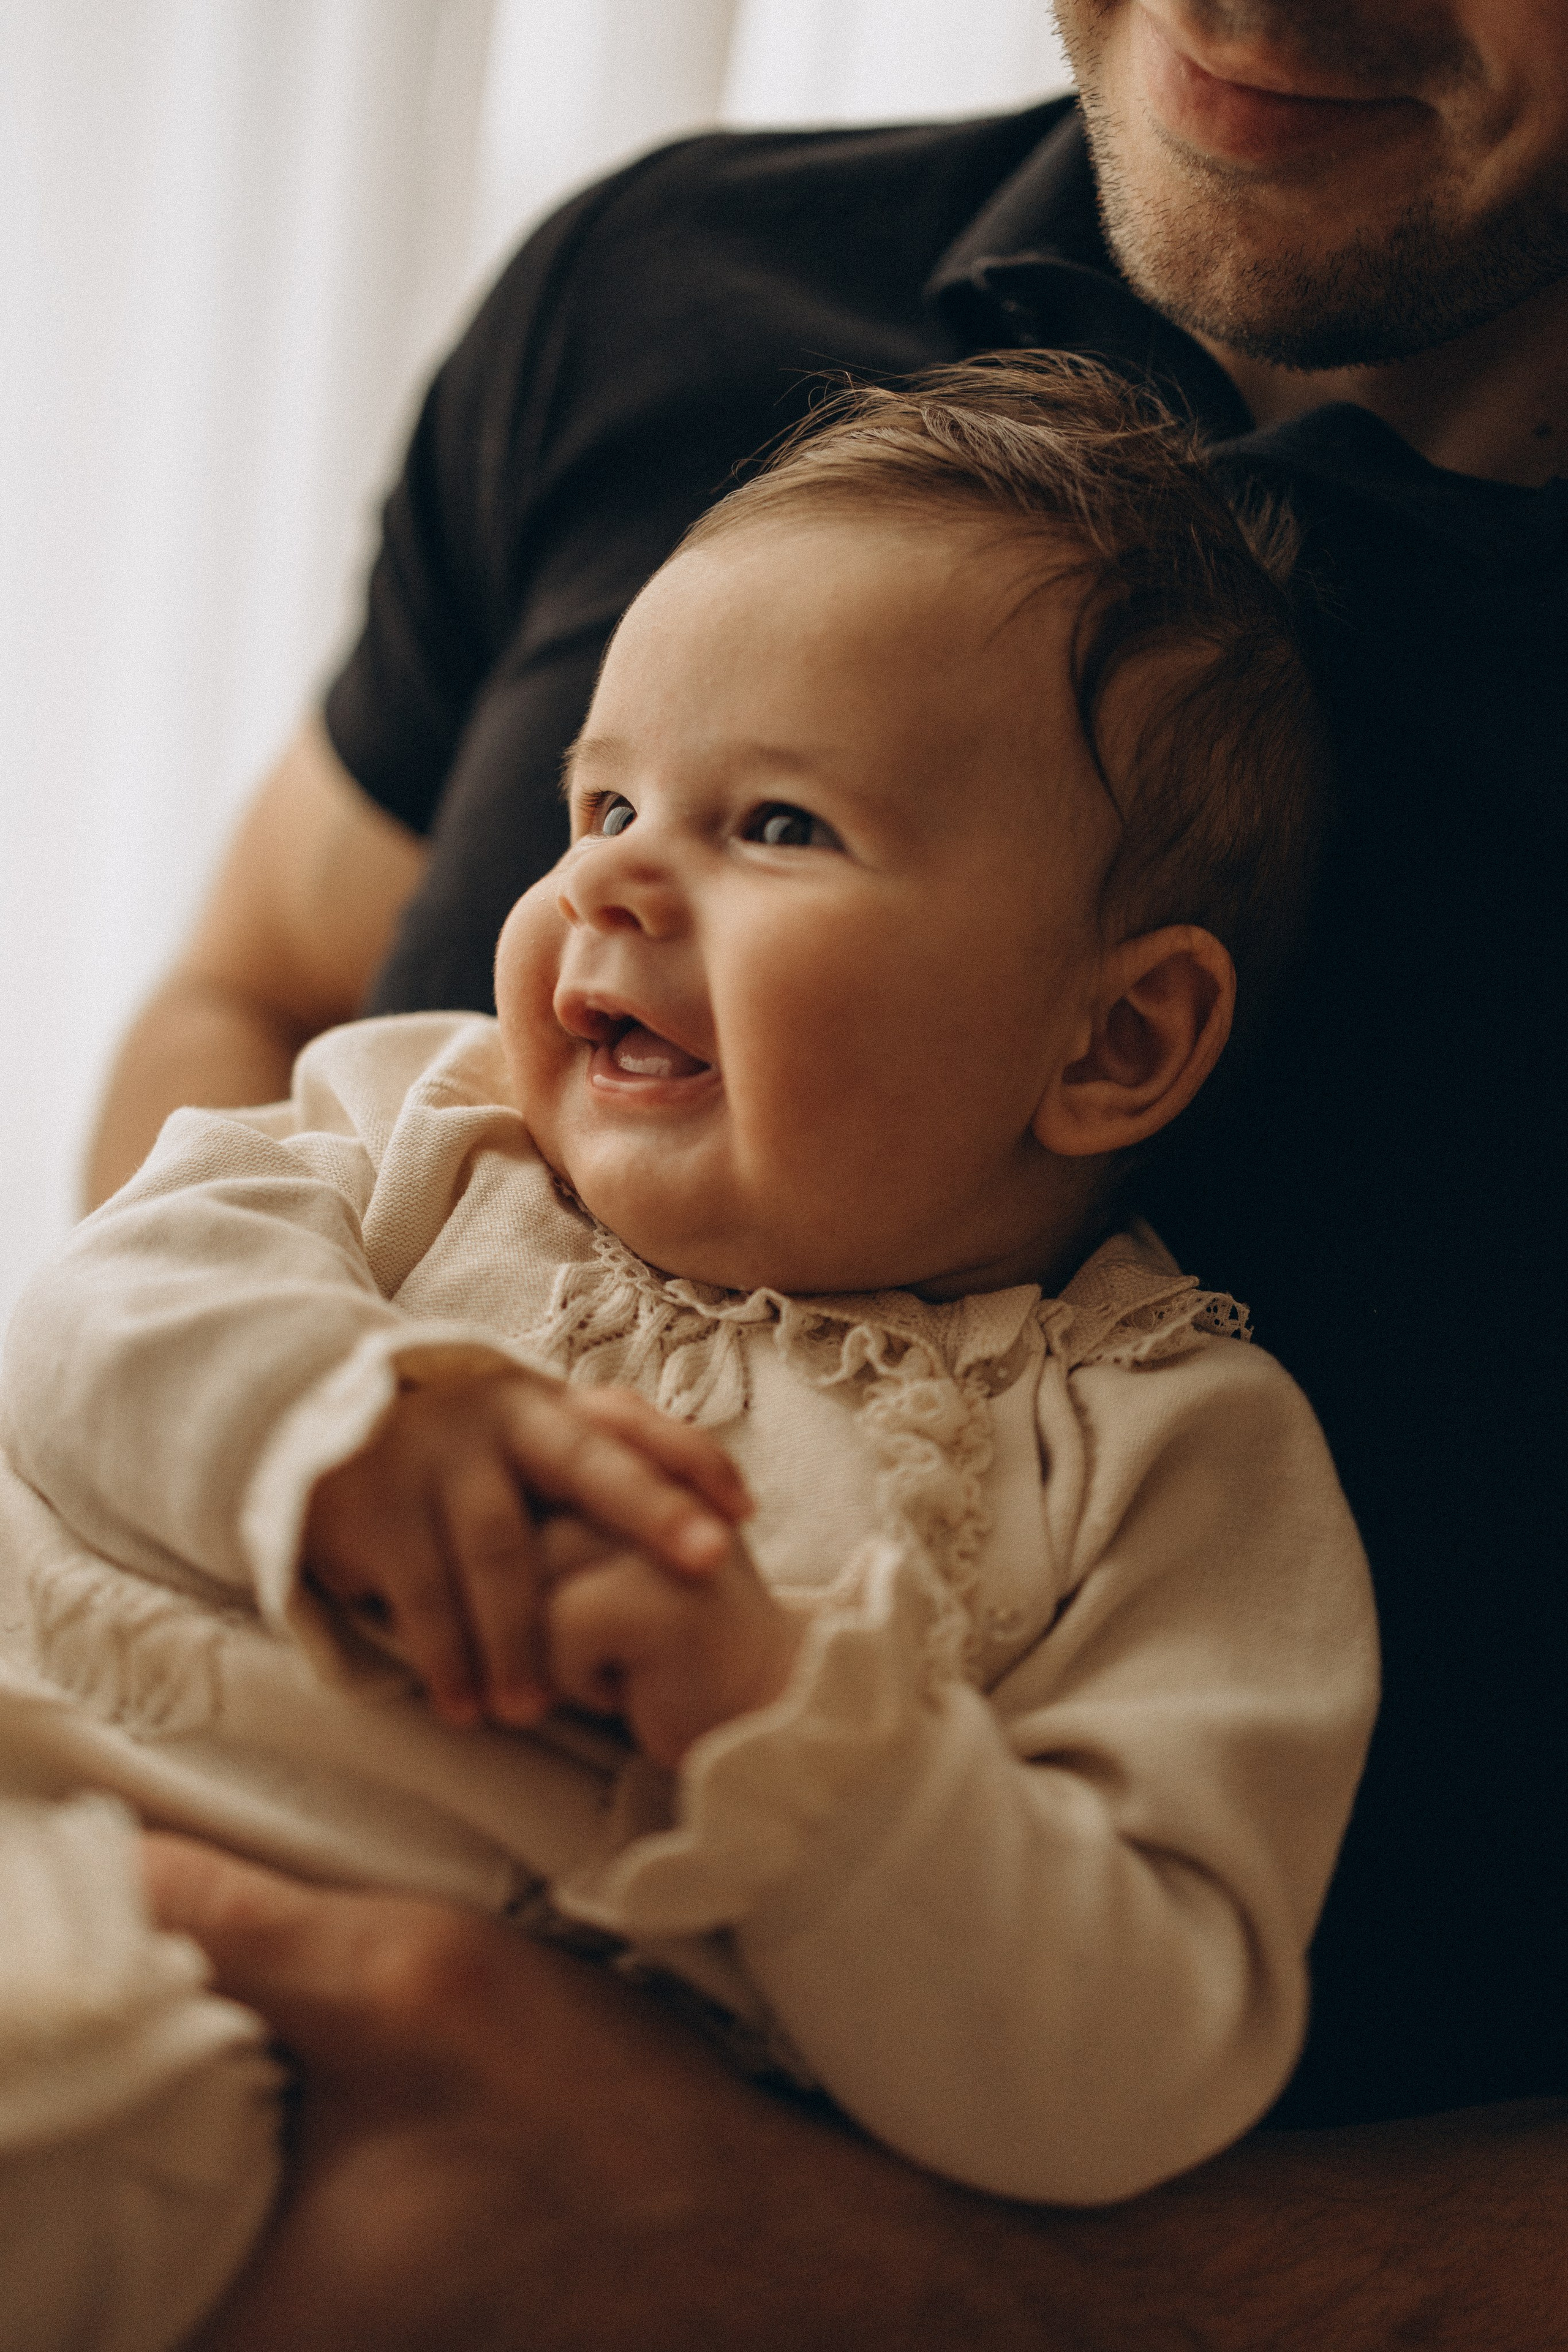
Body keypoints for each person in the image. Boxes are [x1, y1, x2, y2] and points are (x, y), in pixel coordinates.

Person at [69, 0, 1568, 2336]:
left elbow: (1140, 2033)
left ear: (1123, 1035)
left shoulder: (1156, 1461)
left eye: (773, 828)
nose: (607, 900)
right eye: (594, 808)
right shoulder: (416, 1130)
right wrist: (320, 1428)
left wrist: (803, 1737)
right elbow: (118, 1257)